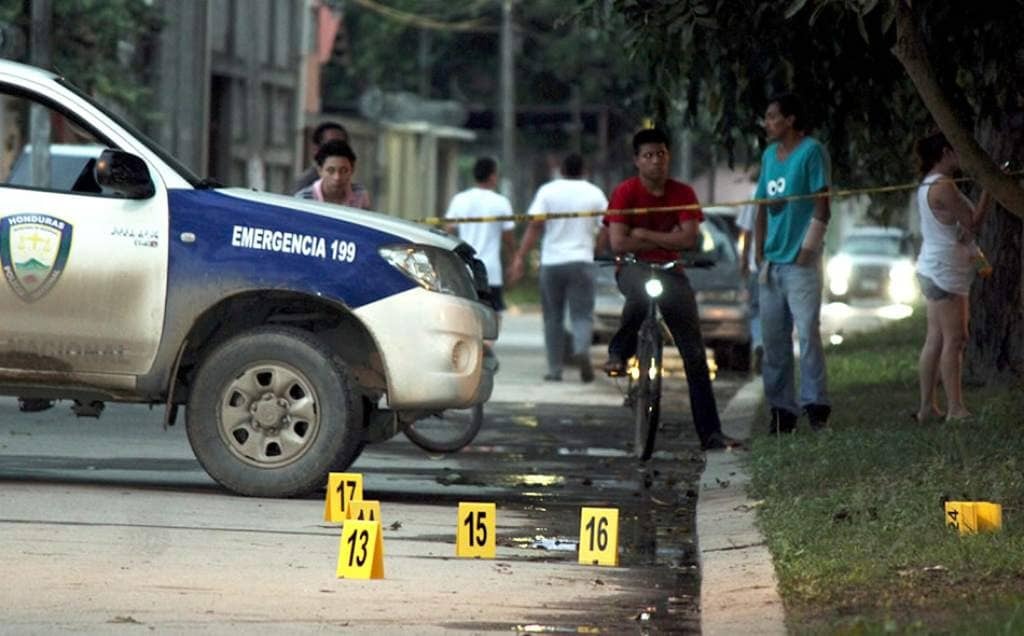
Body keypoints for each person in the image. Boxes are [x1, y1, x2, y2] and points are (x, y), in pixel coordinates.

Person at [603, 128, 736, 451]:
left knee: (694, 354)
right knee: (638, 295)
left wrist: (644, 234)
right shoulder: (625, 192)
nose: (655, 161)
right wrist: (664, 238)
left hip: (671, 271)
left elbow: (689, 239)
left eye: (661, 154)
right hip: (633, 267)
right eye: (648, 155)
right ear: (637, 160)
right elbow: (618, 242)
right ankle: (619, 351)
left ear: (669, 157)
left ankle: (711, 433)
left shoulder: (683, 192)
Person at [753, 93, 831, 434]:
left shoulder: (812, 151)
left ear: (791, 120)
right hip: (772, 262)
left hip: (800, 262)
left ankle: (815, 406)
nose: (767, 123)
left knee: (808, 334)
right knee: (773, 341)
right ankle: (781, 410)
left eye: (773, 117)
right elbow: (760, 205)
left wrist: (808, 248)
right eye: (767, 117)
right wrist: (758, 253)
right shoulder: (770, 155)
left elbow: (822, 205)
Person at [912, 130, 992, 423]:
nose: (961, 157)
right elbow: (973, 222)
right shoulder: (943, 185)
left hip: (935, 268)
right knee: (955, 339)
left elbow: (957, 228)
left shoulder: (928, 184)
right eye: (956, 151)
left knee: (936, 338)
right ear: (945, 153)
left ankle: (927, 407)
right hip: (944, 273)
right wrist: (989, 189)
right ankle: (955, 408)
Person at [510, 153, 608, 383]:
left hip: (552, 263)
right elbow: (607, 225)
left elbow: (535, 226)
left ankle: (555, 369)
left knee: (552, 317)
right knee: (582, 314)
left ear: (561, 170)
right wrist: (597, 250)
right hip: (582, 261)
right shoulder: (594, 193)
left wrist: (520, 257)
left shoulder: (548, 191)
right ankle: (582, 349)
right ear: (584, 170)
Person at [445, 157, 516, 316]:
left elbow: (448, 230)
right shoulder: (501, 202)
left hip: (465, 268)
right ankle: (487, 342)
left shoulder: (460, 199)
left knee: (467, 313)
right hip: (491, 270)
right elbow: (509, 238)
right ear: (492, 176)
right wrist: (514, 259)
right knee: (493, 315)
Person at [735, 168, 763, 373]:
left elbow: (747, 231)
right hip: (779, 263)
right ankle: (768, 348)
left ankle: (758, 343)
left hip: (756, 264)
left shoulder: (754, 195)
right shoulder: (783, 192)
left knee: (755, 310)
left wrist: (744, 261)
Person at [295, 139, 372, 210]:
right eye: (330, 170)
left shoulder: (360, 195)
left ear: (352, 170)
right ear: (320, 170)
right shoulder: (304, 200)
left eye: (344, 171)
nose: (337, 177)